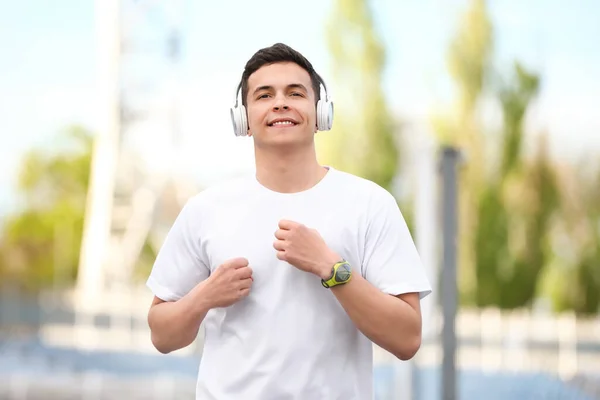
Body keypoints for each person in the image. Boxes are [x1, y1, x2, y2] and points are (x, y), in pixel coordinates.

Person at [146, 42, 432, 400]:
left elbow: (407, 339)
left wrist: (332, 269)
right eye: (264, 95)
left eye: (295, 93)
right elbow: (162, 335)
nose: (280, 102)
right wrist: (205, 295)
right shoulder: (205, 209)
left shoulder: (370, 204)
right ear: (243, 120)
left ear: (320, 112)